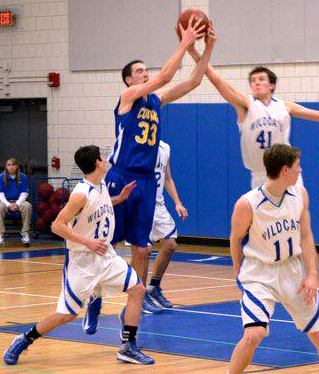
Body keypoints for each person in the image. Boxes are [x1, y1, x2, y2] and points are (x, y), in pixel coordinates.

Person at [82, 17, 217, 330]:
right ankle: (94, 296)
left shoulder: (156, 100)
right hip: (121, 176)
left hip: (145, 181)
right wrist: (185, 42)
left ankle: (136, 301)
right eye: (140, 71)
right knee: (106, 244)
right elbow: (167, 74)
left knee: (142, 248)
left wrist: (208, 47)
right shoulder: (127, 100)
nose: (146, 73)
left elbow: (194, 81)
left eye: (146, 70)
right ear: (130, 81)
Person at [3, 146, 154, 365]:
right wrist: (88, 242)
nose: (105, 160)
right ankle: (25, 339)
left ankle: (127, 347)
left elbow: (98, 205)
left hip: (106, 256)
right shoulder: (80, 193)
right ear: (97, 163)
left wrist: (120, 198)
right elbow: (57, 226)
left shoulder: (100, 184)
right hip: (83, 261)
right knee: (67, 315)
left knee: (138, 289)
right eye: (102, 158)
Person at [228, 143, 319, 374]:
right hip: (259, 272)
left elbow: (307, 237)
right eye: (298, 166)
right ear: (285, 170)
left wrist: (312, 274)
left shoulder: (300, 195)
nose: (301, 170)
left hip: (293, 271)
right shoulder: (247, 203)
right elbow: (235, 239)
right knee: (254, 334)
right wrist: (238, 273)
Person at [187, 47, 319, 188]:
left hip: (287, 170)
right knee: (266, 227)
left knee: (294, 220)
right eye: (253, 80)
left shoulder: (285, 106)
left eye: (261, 79)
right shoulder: (245, 105)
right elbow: (216, 80)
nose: (256, 82)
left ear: (272, 85)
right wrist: (195, 53)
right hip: (261, 175)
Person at [142, 139, 188, 312]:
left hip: (158, 206)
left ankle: (154, 287)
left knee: (170, 244)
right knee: (144, 251)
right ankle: (139, 296)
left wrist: (177, 202)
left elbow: (168, 178)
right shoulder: (136, 144)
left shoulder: (165, 147)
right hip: (141, 205)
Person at [0, 158, 31, 245]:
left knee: (27, 206)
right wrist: (8, 204)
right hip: (6, 201)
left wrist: (17, 204)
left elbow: (24, 194)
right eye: (9, 165)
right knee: (0, 207)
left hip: (19, 201)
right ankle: (0, 233)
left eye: (13, 165)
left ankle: (25, 233)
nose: (11, 167)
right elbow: (0, 194)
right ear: (6, 167)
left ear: (17, 166)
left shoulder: (23, 177)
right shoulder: (1, 177)